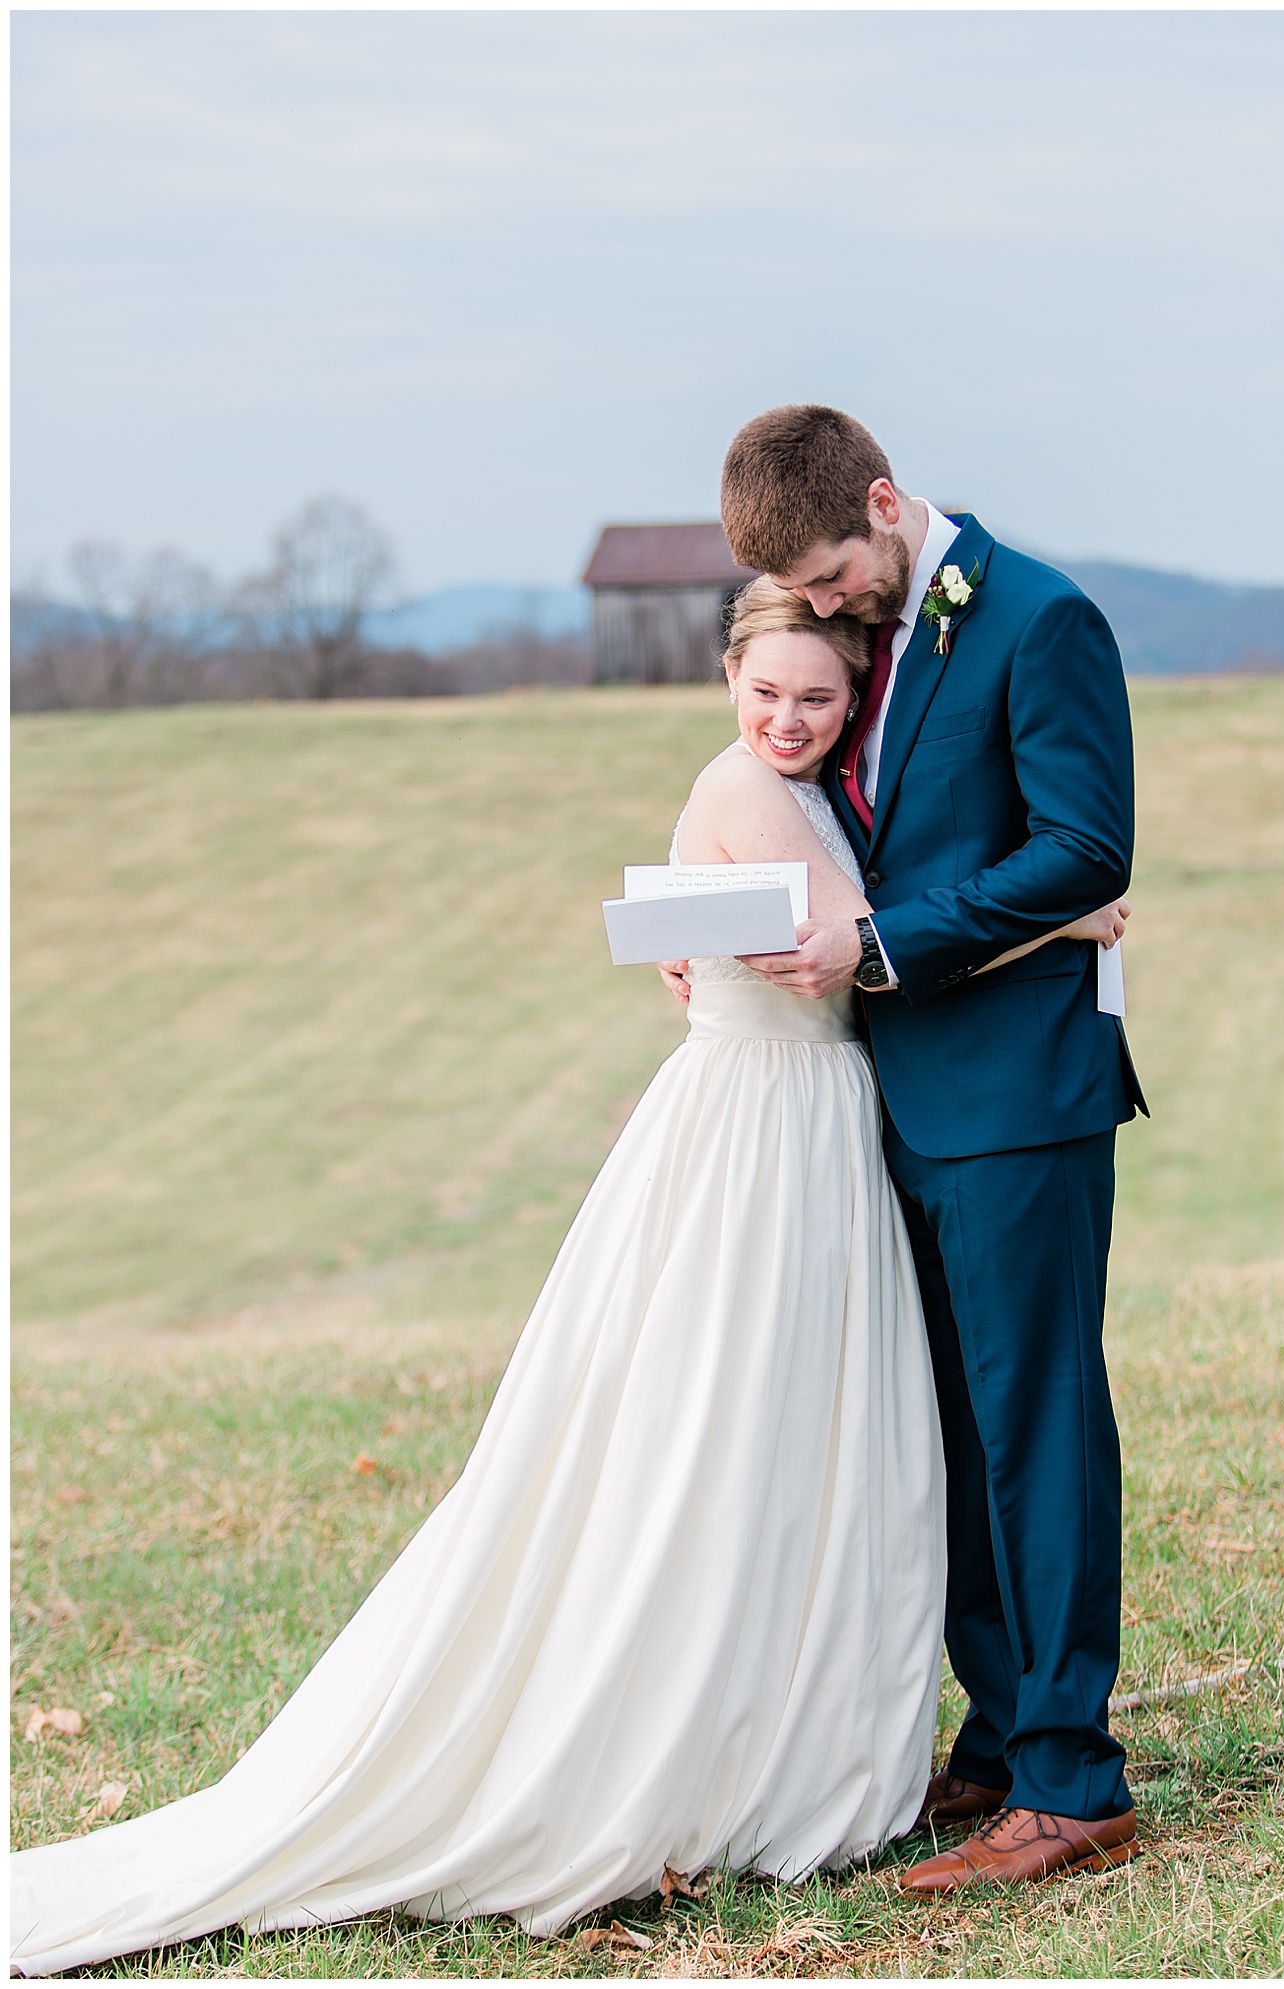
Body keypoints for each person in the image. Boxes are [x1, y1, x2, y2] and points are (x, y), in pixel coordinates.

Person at [9, 581, 1125, 1976]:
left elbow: (844, 935)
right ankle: (717, 1727)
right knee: (720, 1433)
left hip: (805, 1125)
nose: (787, 717)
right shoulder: (754, 791)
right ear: (727, 678)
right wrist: (1063, 920)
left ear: (851, 698)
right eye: (766, 691)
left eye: (817, 698)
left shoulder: (798, 786)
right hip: (765, 1140)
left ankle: (821, 1705)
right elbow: (872, 940)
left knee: (797, 1439)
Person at [705, 405, 1150, 1893]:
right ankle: (1005, 1730)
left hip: (1021, 1096)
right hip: (881, 1100)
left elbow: (1088, 847)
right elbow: (824, 816)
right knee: (942, 1425)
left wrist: (887, 947)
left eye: (833, 574)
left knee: (1035, 1424)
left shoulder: (1040, 618)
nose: (824, 608)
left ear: (887, 505)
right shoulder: (873, 633)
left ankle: (1077, 1778)